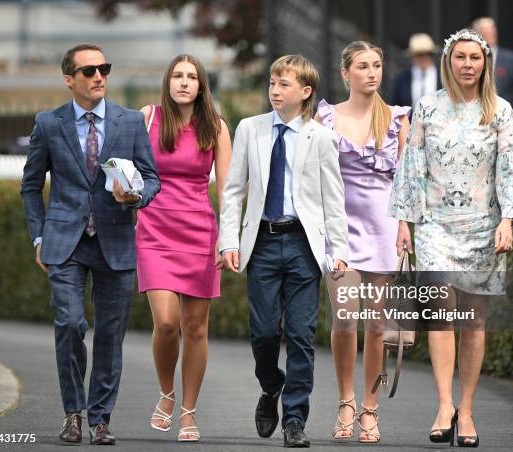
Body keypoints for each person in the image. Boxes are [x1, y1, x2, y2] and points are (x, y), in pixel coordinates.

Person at [389, 29, 513, 447]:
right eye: (460, 57)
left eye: (475, 58)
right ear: (448, 61)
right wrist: (403, 223)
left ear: (485, 63)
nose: (468, 64)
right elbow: (411, 166)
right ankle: (444, 404)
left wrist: (509, 220)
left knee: (474, 320)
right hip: (435, 227)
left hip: (483, 227)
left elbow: (511, 167)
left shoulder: (500, 110)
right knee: (442, 315)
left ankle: (466, 410)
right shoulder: (427, 108)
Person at [21, 44, 160, 445]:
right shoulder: (48, 123)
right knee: (69, 324)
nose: (99, 76)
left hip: (115, 240)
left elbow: (152, 179)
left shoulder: (130, 121)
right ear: (69, 79)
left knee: (110, 335)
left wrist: (135, 197)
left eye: (104, 69)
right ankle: (72, 413)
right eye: (88, 71)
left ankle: (100, 419)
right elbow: (30, 186)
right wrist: (40, 234)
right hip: (64, 242)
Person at [219, 54, 349, 448]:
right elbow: (234, 191)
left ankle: (294, 419)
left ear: (305, 92)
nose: (275, 90)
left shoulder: (322, 138)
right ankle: (271, 385)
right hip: (260, 241)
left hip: (302, 246)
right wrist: (228, 241)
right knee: (262, 333)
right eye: (272, 83)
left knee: (300, 335)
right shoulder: (250, 129)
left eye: (284, 84)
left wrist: (338, 249)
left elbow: (334, 198)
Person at [316, 40, 410, 443]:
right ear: (346, 73)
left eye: (376, 66)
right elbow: (313, 177)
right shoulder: (326, 118)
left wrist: (406, 226)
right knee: (344, 316)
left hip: (385, 229)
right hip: (339, 231)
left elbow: (408, 180)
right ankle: (345, 401)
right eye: (362, 66)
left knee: (377, 325)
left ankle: (369, 410)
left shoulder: (397, 119)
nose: (371, 73)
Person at [136, 54, 232, 442]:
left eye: (192, 76)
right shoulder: (146, 118)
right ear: (168, 81)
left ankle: (189, 412)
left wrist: (228, 240)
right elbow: (127, 172)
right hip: (153, 230)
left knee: (195, 328)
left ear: (201, 85)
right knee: (167, 322)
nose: (184, 82)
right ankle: (166, 393)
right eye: (177, 75)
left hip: (199, 232)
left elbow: (227, 190)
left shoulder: (217, 127)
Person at [472, 17, 513, 122]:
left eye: (492, 32)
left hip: (503, 120)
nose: (490, 35)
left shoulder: (509, 59)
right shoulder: (470, 59)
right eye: (486, 33)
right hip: (475, 119)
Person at [391, 33, 442, 111]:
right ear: (412, 56)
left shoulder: (443, 76)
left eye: (428, 54)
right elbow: (396, 106)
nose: (424, 57)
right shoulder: (402, 79)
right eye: (419, 54)